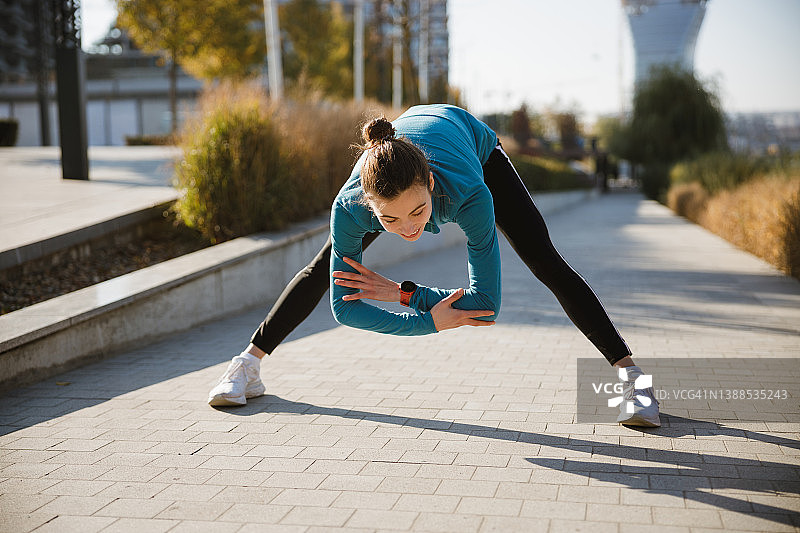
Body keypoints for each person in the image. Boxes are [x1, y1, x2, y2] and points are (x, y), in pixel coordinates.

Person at [207, 104, 660, 427]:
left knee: (544, 261)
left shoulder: (470, 193)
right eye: (389, 219)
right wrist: (428, 323)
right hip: (398, 152)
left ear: (428, 185)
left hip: (472, 145)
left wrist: (403, 294)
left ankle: (632, 377)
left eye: (419, 213)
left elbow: (486, 307)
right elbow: (345, 309)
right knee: (322, 267)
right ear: (368, 205)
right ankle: (247, 364)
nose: (407, 229)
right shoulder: (349, 208)